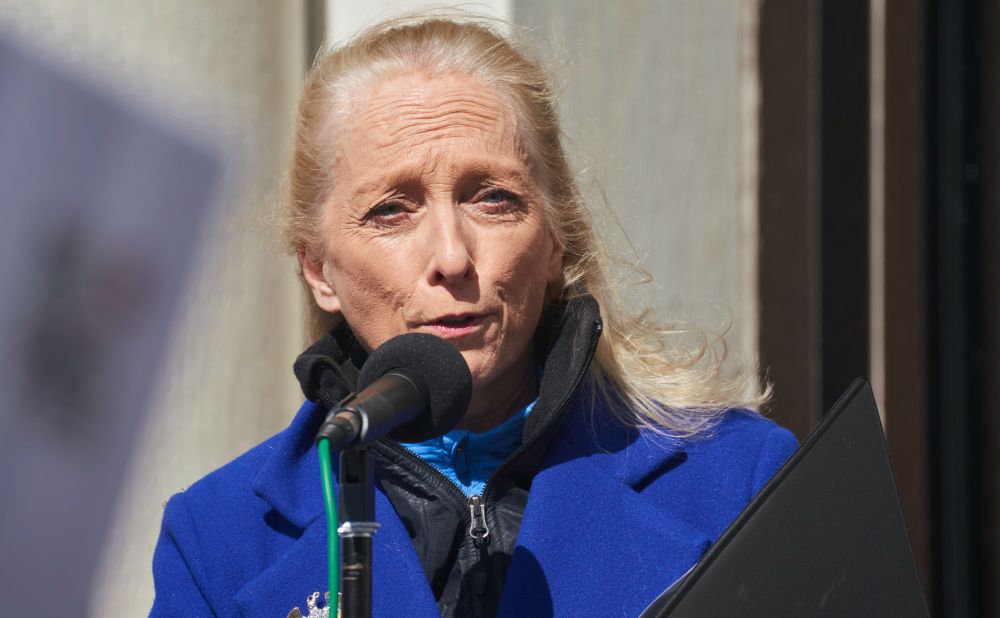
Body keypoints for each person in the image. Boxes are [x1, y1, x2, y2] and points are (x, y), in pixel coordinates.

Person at [151, 14, 797, 618]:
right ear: (319, 270)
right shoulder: (218, 541)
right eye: (390, 211)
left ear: (555, 240)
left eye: (493, 199)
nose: (453, 257)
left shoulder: (740, 481)